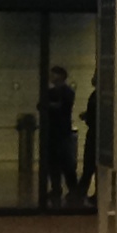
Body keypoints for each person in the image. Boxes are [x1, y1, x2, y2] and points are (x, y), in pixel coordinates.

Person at [37, 64, 78, 206]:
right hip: (54, 132)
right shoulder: (56, 92)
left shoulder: (67, 92)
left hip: (62, 132)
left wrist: (48, 106)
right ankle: (57, 188)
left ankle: (71, 189)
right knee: (53, 162)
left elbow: (58, 107)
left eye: (54, 74)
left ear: (61, 76)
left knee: (66, 162)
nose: (51, 77)